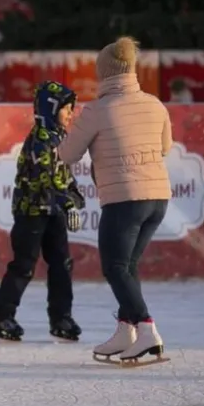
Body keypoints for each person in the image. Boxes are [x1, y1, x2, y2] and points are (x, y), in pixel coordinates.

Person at [58, 37, 173, 364]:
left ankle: (146, 328)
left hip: (124, 199)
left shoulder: (97, 110)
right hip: (157, 199)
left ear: (103, 72)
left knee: (115, 266)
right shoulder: (155, 104)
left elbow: (67, 154)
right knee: (128, 265)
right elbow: (165, 147)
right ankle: (126, 330)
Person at [0, 81, 85, 342]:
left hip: (54, 210)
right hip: (32, 211)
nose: (71, 114)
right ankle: (1, 316)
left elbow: (64, 175)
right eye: (66, 109)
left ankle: (61, 317)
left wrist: (74, 196)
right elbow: (46, 177)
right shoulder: (40, 140)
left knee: (62, 264)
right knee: (24, 265)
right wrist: (67, 202)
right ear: (50, 109)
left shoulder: (60, 137)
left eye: (72, 109)